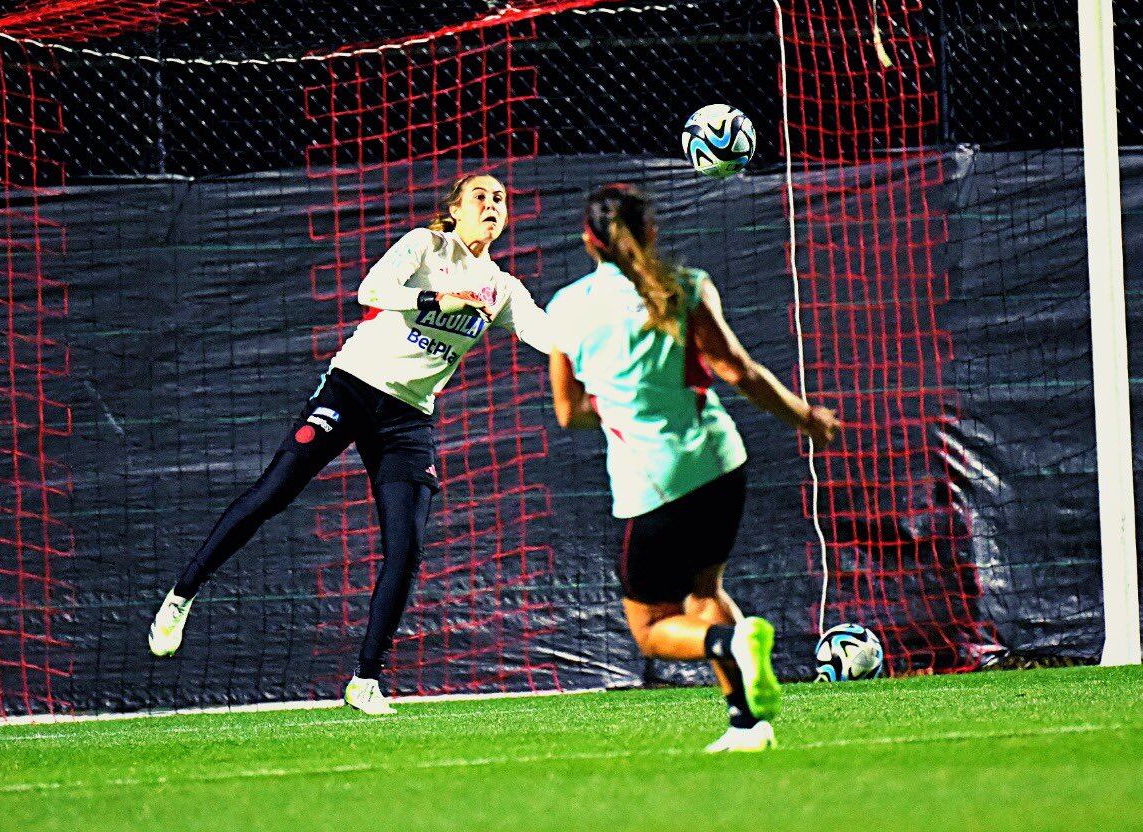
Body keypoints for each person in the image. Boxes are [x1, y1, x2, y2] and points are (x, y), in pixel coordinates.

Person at [148, 173, 552, 715]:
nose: (493, 204)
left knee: (406, 548)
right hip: (353, 387)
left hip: (408, 418)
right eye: (480, 195)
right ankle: (181, 596)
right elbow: (371, 291)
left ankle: (365, 680)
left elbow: (549, 336)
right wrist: (440, 296)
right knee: (273, 492)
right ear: (453, 209)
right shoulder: (425, 245)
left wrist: (610, 341)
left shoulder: (501, 288)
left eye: (501, 198)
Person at [546, 182, 838, 752]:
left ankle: (730, 647)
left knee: (652, 630)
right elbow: (741, 371)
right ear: (652, 232)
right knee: (706, 592)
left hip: (653, 482)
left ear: (588, 241)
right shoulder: (686, 285)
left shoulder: (568, 308)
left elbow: (568, 411)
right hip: (720, 463)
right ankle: (748, 725)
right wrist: (804, 418)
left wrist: (615, 404)